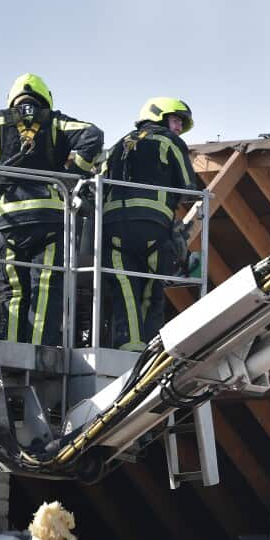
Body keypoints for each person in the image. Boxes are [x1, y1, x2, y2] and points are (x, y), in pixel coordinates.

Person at [0, 73, 103, 346]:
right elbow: (93, 135)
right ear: (44, 97)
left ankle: (11, 350)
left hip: (9, 219)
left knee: (13, 291)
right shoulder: (57, 121)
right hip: (48, 216)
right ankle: (38, 349)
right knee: (45, 287)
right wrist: (72, 173)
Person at [101, 97, 199, 351]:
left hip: (112, 230)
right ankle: (148, 352)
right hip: (152, 226)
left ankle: (128, 346)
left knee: (124, 291)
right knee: (152, 289)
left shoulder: (116, 146)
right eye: (176, 120)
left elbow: (98, 185)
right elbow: (189, 186)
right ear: (160, 117)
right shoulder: (170, 141)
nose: (178, 127)